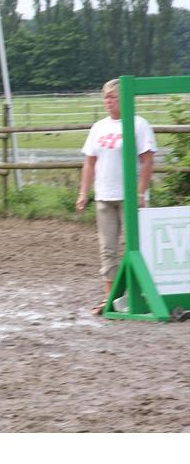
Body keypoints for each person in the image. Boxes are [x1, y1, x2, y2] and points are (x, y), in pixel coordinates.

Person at [76, 78, 157, 315]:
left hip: (129, 197)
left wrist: (140, 191)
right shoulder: (99, 127)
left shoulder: (138, 124)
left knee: (135, 245)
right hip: (104, 195)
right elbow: (90, 162)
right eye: (106, 97)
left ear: (124, 99)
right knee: (107, 248)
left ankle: (141, 293)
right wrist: (84, 192)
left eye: (113, 97)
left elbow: (147, 160)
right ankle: (109, 297)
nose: (108, 102)